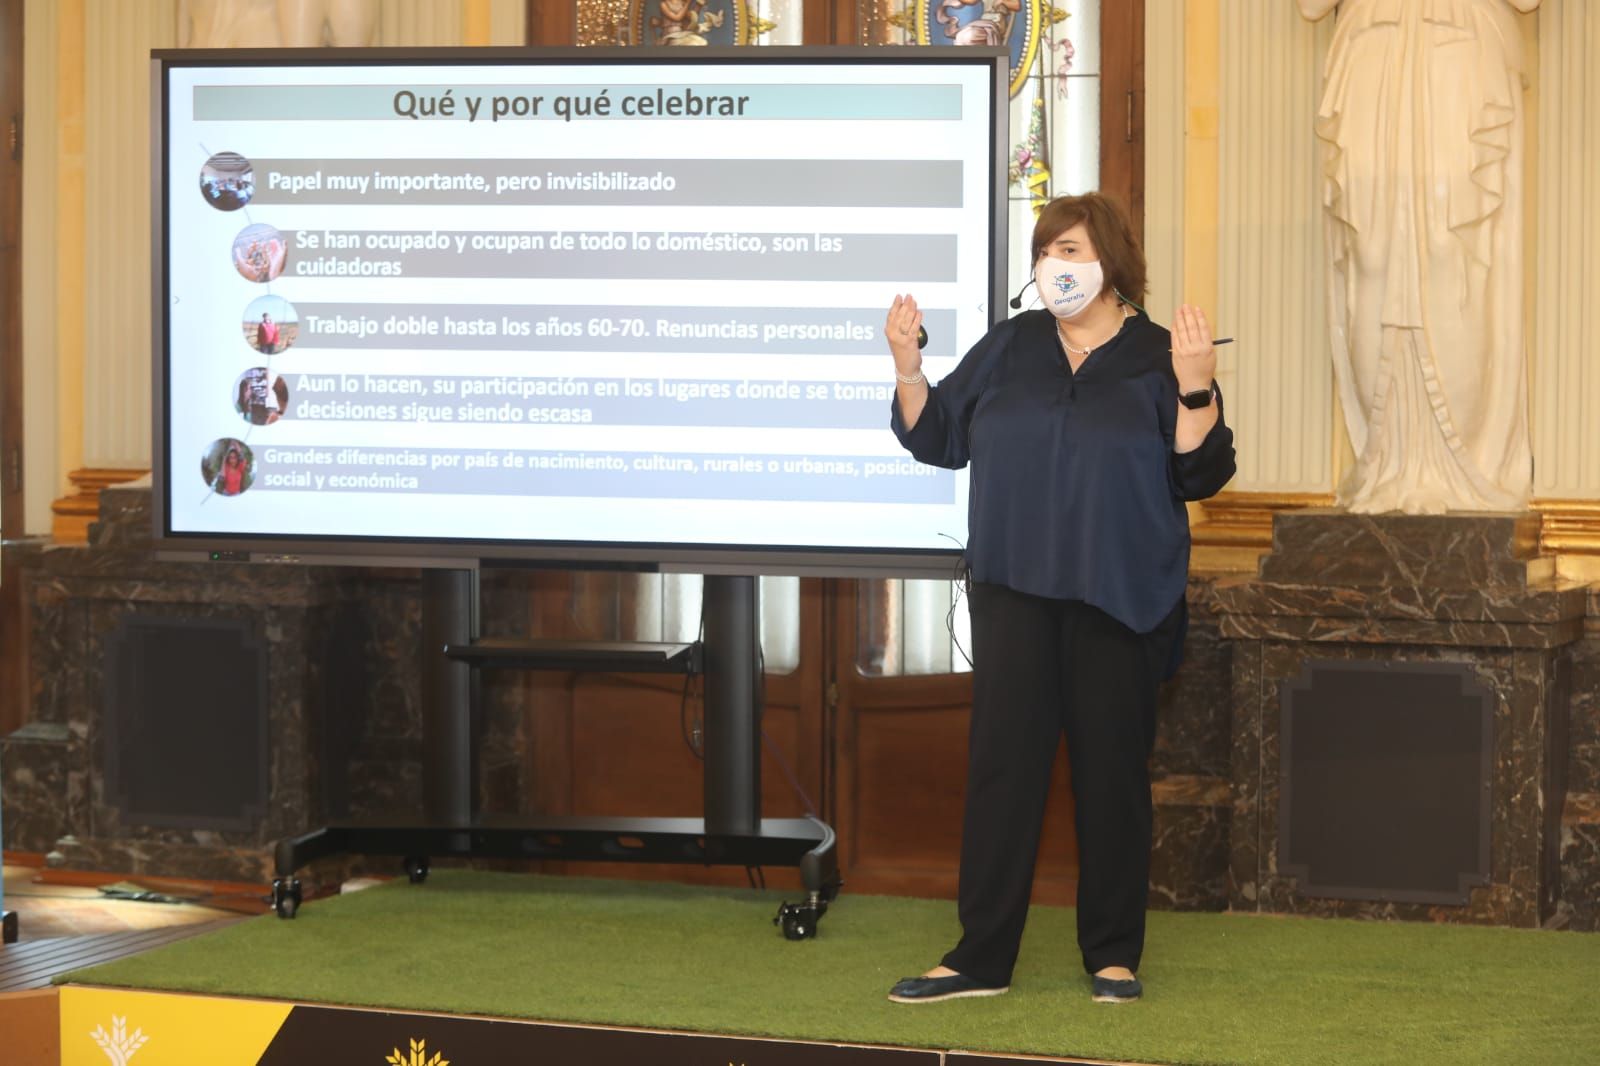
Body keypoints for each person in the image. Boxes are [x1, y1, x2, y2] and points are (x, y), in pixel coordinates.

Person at [882, 193, 1236, 1005]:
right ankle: (980, 957)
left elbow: (1200, 474)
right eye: (1046, 252)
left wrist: (1195, 389)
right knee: (1003, 772)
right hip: (1016, 591)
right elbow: (939, 438)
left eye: (1070, 250)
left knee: (1112, 776)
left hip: (1121, 595)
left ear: (1108, 260)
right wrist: (908, 367)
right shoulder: (1011, 345)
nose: (1054, 267)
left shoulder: (1157, 356)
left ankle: (1112, 955)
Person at [1297, 0, 1538, 513]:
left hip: (1460, 47)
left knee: (1451, 246)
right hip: (1371, 48)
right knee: (1371, 253)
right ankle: (1388, 462)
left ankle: (1464, 461)